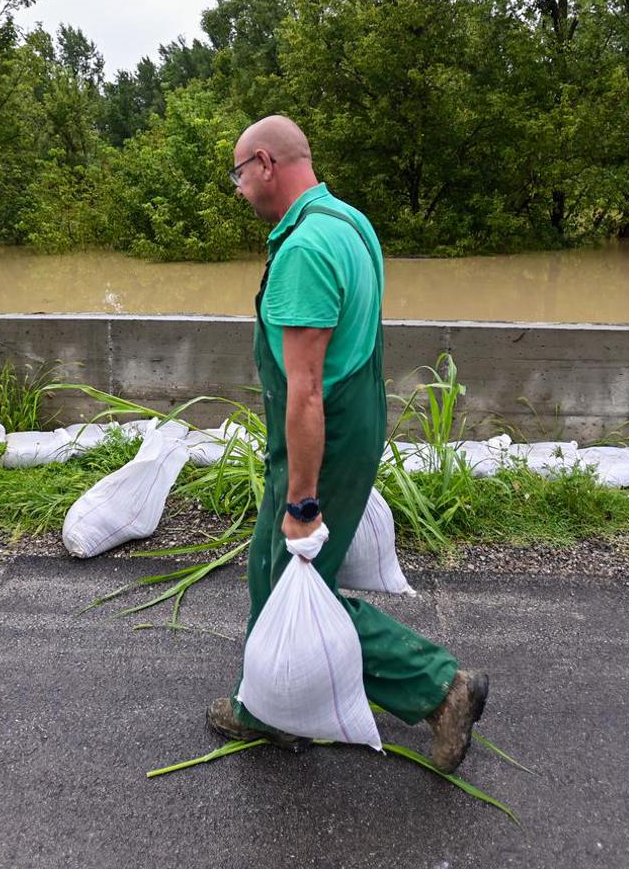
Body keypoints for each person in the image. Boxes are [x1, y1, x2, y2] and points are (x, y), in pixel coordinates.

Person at [207, 115, 489, 773]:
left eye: (239, 173)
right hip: (357, 415)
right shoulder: (347, 222)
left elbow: (304, 392)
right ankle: (266, 703)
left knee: (298, 590)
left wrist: (302, 503)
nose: (239, 187)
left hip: (321, 433)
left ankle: (439, 688)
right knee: (268, 570)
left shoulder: (304, 252)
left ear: (266, 163)